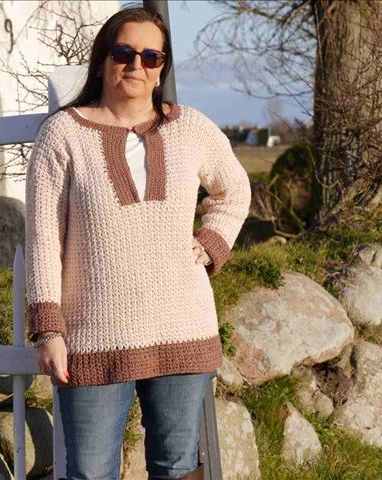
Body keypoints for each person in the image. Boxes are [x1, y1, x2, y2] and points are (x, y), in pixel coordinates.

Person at [24, 5, 252, 480]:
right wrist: (48, 331)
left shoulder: (189, 128)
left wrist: (211, 242)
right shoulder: (63, 135)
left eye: (150, 57)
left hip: (182, 324)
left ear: (161, 68)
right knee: (90, 472)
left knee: (177, 467)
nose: (136, 65)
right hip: (93, 334)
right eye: (124, 53)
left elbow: (234, 190)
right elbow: (43, 238)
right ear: (103, 60)